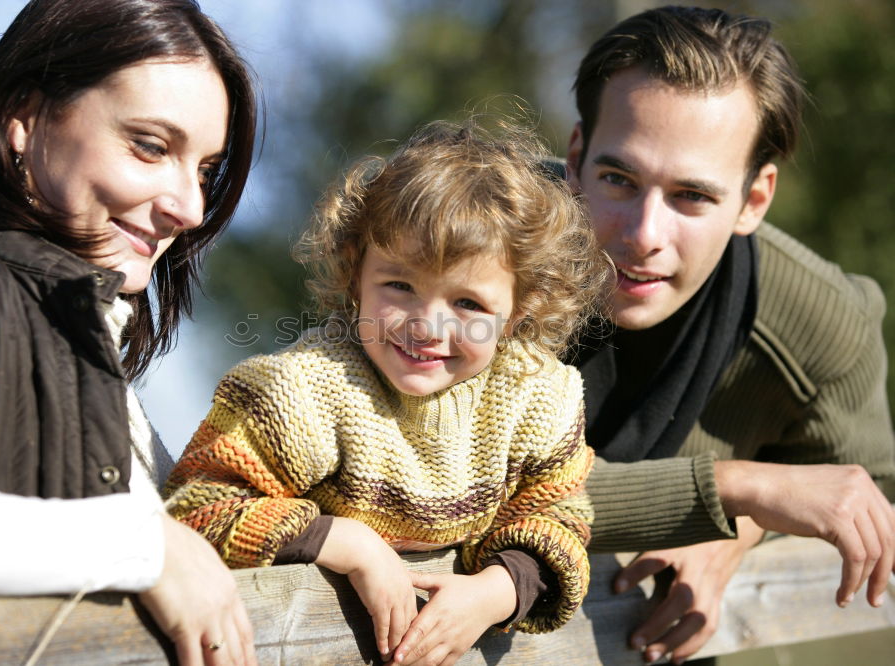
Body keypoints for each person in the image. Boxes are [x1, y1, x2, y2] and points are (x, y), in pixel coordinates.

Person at [162, 117, 612, 665]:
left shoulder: (537, 397)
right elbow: (196, 514)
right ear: (355, 275)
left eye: (468, 304)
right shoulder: (301, 394)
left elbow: (560, 517)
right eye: (400, 286)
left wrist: (496, 591)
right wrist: (350, 545)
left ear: (519, 311)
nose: (427, 326)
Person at [0, 1, 259, 663]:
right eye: (151, 146)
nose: (191, 208)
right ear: (25, 120)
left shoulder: (100, 368)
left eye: (205, 170)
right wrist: (146, 546)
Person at [556, 6, 895, 664]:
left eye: (692, 197)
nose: (644, 234)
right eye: (618, 179)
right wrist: (740, 490)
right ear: (575, 157)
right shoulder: (470, 255)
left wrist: (739, 531)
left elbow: (870, 489)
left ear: (754, 201)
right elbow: (470, 483)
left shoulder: (821, 325)